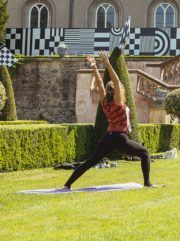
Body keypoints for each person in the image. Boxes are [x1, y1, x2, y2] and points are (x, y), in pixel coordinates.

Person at [63, 51, 154, 189]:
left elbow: (99, 82)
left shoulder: (104, 102)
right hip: (120, 138)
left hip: (108, 137)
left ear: (107, 91)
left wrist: (94, 65)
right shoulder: (118, 102)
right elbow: (116, 81)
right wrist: (107, 63)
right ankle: (147, 183)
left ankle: (67, 184)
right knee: (145, 153)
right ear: (118, 91)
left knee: (90, 162)